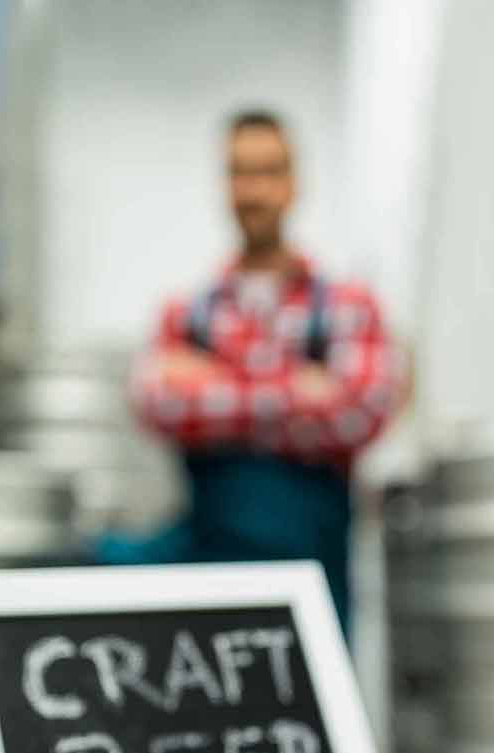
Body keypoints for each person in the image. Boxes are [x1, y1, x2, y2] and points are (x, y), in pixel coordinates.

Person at [97, 109, 397, 631]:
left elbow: (360, 410)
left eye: (269, 171)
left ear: (295, 182)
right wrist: (299, 389)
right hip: (208, 582)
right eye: (240, 172)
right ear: (225, 184)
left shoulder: (351, 306)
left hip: (315, 589)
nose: (254, 190)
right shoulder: (186, 313)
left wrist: (217, 382)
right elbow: (154, 401)